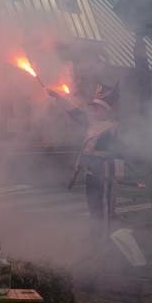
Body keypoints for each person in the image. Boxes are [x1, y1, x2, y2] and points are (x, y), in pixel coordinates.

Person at [47, 83, 121, 226]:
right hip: (91, 170)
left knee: (104, 205)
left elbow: (119, 152)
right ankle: (96, 232)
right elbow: (75, 113)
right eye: (93, 108)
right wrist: (58, 97)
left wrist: (118, 173)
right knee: (93, 204)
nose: (93, 111)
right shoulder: (92, 124)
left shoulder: (114, 127)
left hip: (104, 170)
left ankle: (105, 235)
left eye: (97, 108)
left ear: (105, 110)